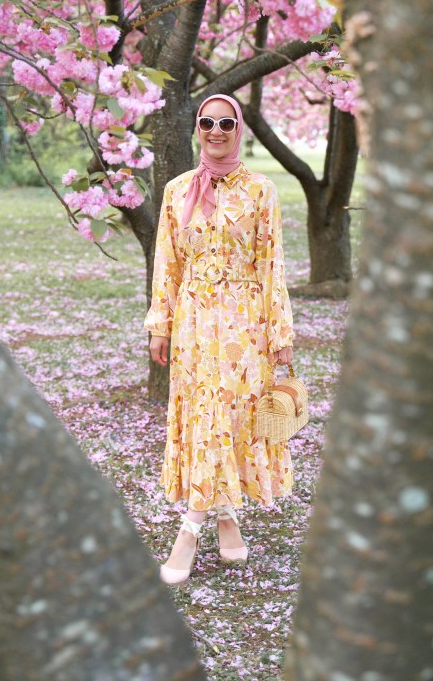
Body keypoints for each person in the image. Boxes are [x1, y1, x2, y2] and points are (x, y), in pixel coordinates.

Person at [145, 93, 294, 585]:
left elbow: (272, 267)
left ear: (239, 128)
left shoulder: (260, 191)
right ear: (197, 128)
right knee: (203, 413)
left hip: (244, 324)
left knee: (230, 415)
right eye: (207, 122)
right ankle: (221, 517)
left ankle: (191, 529)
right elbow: (167, 264)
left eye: (225, 123)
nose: (215, 130)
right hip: (192, 322)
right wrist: (160, 324)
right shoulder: (176, 191)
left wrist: (280, 333)